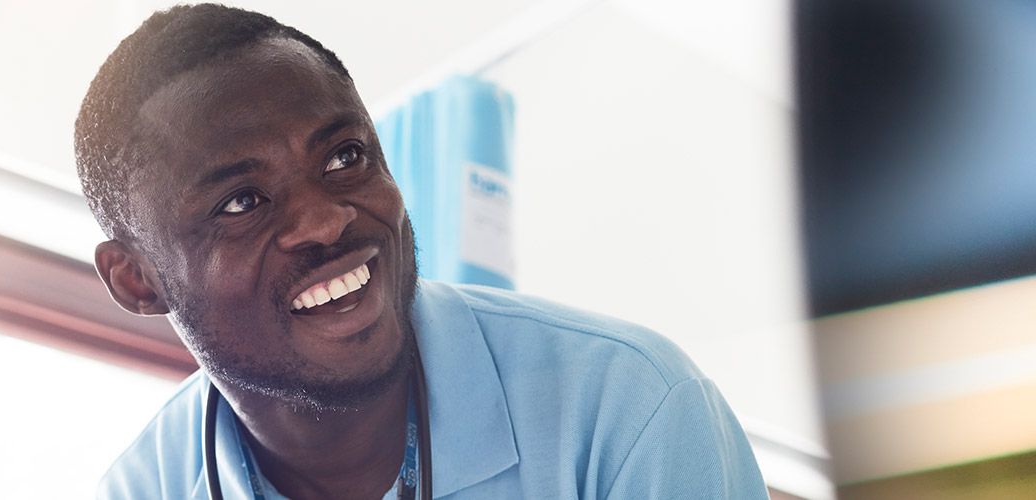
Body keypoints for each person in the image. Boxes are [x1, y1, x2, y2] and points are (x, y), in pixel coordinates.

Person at [76, 4, 767, 499]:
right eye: (241, 203)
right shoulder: (141, 489)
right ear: (137, 279)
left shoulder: (627, 411)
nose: (324, 220)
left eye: (345, 157)